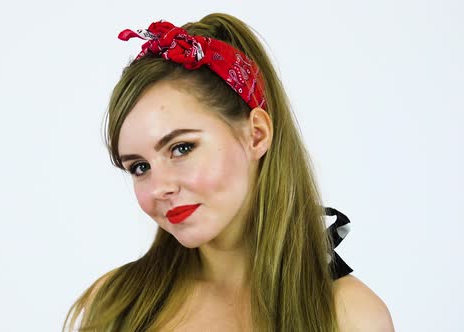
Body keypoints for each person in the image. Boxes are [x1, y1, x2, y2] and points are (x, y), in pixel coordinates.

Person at [64, 13, 394, 332]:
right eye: (139, 167)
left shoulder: (350, 317)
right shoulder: (114, 304)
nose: (158, 188)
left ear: (257, 135)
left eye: (182, 148)